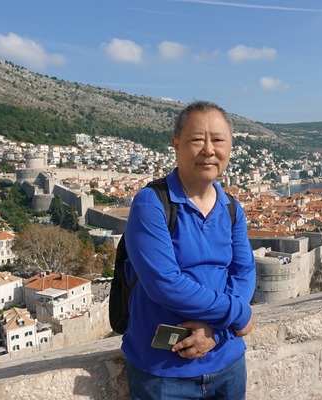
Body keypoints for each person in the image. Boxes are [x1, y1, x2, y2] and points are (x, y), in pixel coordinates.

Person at [122, 100, 256, 399]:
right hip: (164, 373)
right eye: (197, 139)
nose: (209, 150)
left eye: (218, 140)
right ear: (176, 144)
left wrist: (217, 332)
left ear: (230, 147)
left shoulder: (232, 208)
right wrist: (238, 314)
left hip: (228, 360)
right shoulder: (151, 203)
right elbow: (165, 284)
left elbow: (243, 271)